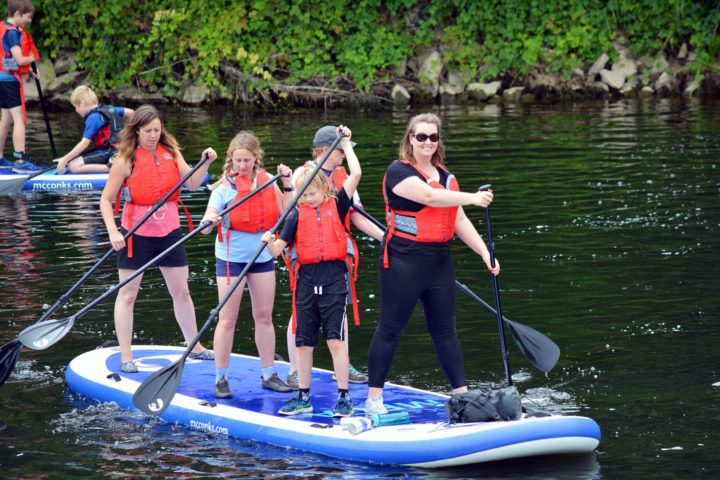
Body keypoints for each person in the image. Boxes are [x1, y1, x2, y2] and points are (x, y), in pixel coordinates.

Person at [364, 113, 500, 415]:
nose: (427, 142)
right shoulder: (398, 172)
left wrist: (483, 252)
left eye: (433, 137)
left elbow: (458, 218)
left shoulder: (447, 177)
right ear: (410, 139)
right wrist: (473, 198)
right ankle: (374, 399)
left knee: (445, 330)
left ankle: (461, 397)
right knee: (390, 329)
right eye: (421, 136)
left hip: (439, 262)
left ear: (438, 141)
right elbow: (429, 196)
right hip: (403, 261)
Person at [99, 104, 216, 373]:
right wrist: (112, 231)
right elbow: (105, 200)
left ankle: (195, 346)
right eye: (148, 130)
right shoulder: (125, 160)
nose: (153, 135)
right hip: (135, 234)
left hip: (169, 233)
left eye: (157, 130)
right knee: (128, 295)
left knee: (182, 292)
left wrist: (206, 162)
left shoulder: (171, 153)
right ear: (137, 131)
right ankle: (126, 356)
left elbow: (193, 183)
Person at [262, 125, 359, 417]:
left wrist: (346, 144)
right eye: (303, 196)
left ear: (324, 188)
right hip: (306, 282)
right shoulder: (294, 215)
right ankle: (304, 397)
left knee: (335, 340)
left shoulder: (339, 204)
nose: (308, 199)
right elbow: (278, 250)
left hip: (333, 279)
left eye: (312, 194)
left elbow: (355, 174)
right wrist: (268, 243)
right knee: (304, 343)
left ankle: (343, 397)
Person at [283, 125, 384, 389]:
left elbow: (355, 214)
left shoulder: (342, 175)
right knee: (300, 311)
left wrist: (384, 238)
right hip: (305, 253)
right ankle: (295, 369)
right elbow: (291, 215)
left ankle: (343, 367)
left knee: (340, 310)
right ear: (326, 150)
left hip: (337, 255)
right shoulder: (302, 175)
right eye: (341, 151)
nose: (343, 156)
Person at [199, 131, 295, 398]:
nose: (241, 166)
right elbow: (208, 220)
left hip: (263, 257)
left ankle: (268, 374)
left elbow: (289, 212)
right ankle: (221, 379)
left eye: (246, 160)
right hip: (230, 259)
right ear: (231, 159)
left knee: (264, 317)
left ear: (256, 158)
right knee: (228, 319)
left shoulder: (269, 182)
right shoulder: (223, 189)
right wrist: (209, 222)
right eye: (236, 160)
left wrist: (287, 183)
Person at [0, 0, 42, 173]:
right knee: (18, 120)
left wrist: (30, 71)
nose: (29, 21)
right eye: (27, 17)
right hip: (9, 81)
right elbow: (19, 59)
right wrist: (32, 58)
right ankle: (20, 161)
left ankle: (0, 158)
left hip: (1, 78)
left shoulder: (3, 27)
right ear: (17, 14)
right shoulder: (13, 33)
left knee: (6, 119)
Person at [53, 85, 134, 174]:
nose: (76, 110)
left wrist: (65, 159)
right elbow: (131, 113)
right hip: (119, 150)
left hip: (110, 152)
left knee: (73, 166)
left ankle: (111, 168)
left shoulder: (93, 118)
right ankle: (114, 163)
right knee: (73, 161)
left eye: (76, 106)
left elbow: (84, 144)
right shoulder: (109, 109)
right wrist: (129, 132)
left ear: (82, 102)